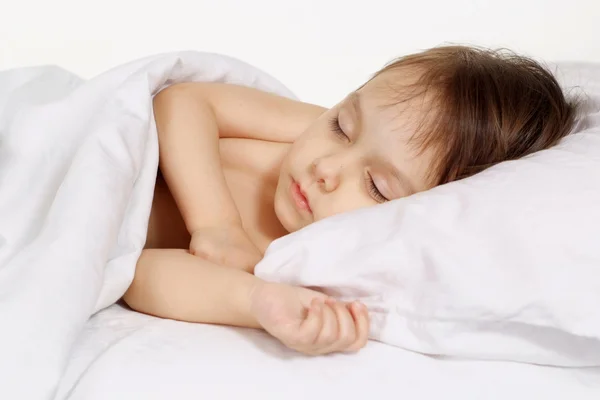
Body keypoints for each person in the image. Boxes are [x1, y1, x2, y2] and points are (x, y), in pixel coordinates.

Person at [123, 45, 577, 356]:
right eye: (342, 124)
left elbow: (134, 273)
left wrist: (254, 301)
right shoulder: (305, 134)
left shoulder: (302, 261)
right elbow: (183, 101)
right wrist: (215, 222)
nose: (327, 167)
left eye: (378, 186)